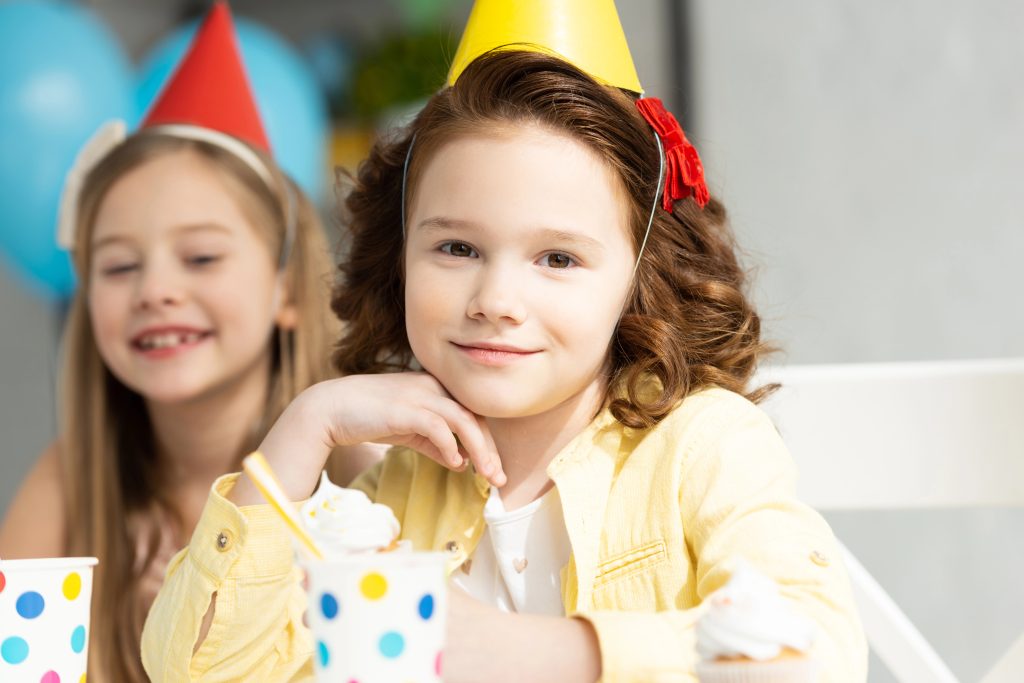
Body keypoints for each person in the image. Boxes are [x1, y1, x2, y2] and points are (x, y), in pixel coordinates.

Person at [141, 3, 868, 681]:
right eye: (457, 247)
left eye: (557, 259)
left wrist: (537, 650)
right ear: (398, 255)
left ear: (640, 277)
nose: (494, 301)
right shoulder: (399, 490)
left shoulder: (704, 448)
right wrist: (304, 428)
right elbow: (192, 670)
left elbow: (816, 651)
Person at [0, 5, 380, 681]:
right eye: (119, 266)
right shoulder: (70, 486)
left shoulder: (359, 470)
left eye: (201, 258)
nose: (156, 290)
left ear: (286, 290)